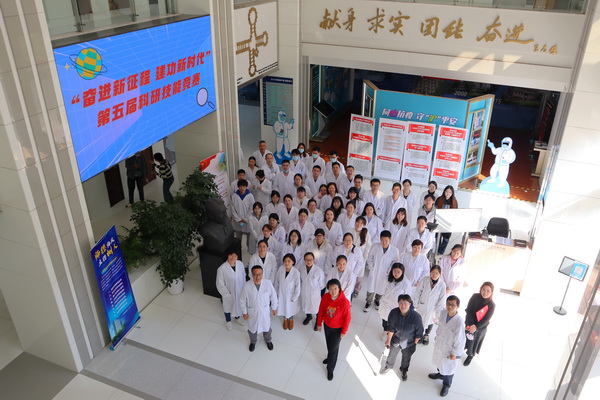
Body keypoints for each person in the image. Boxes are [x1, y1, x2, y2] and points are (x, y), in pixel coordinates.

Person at [380, 294, 424, 381]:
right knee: (391, 355)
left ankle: (404, 370)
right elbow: (391, 328)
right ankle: (388, 366)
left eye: (405, 303)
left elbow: (419, 332)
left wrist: (414, 343)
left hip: (409, 343)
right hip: (396, 340)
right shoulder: (393, 313)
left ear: (410, 304)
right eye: (400, 303)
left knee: (406, 358)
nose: (403, 306)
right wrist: (388, 340)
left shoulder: (416, 317)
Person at [429, 295, 466, 397]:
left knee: (449, 368)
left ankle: (446, 385)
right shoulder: (443, 313)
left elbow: (460, 340)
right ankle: (440, 374)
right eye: (448, 304)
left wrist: (455, 353)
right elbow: (440, 327)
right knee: (439, 362)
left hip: (450, 349)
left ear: (458, 306)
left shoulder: (459, 322)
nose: (450, 306)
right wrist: (437, 337)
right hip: (440, 343)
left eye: (453, 305)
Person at [317, 279, 352, 381]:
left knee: (333, 349)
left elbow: (347, 318)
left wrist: (344, 331)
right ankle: (329, 358)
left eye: (335, 289)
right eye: (330, 289)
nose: (333, 291)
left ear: (339, 289)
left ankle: (330, 369)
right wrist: (319, 323)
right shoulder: (325, 297)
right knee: (330, 346)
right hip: (327, 326)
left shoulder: (344, 302)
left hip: (338, 329)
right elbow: (321, 310)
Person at [240, 265, 278, 352]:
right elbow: (242, 300)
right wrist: (244, 312)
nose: (258, 277)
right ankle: (253, 342)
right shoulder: (246, 286)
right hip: (252, 312)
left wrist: (274, 308)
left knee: (267, 327)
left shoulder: (268, 283)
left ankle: (268, 340)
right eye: (255, 274)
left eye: (260, 274)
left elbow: (274, 296)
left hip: (264, 312)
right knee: (252, 329)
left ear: (262, 274)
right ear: (252, 275)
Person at [364, 230, 400, 312]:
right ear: (380, 239)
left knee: (381, 288)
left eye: (386, 240)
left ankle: (377, 300)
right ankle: (368, 302)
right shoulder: (375, 246)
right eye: (382, 240)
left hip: (385, 273)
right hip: (374, 271)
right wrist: (372, 268)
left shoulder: (395, 250)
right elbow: (369, 257)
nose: (384, 242)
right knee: (370, 288)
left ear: (390, 239)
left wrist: (389, 270)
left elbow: (395, 262)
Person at [463, 282, 496, 366]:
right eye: (483, 289)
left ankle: (470, 355)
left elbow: (486, 319)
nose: (485, 292)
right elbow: (469, 309)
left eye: (488, 291)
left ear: (491, 292)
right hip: (469, 323)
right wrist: (471, 324)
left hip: (480, 327)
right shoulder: (475, 296)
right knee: (464, 338)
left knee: (473, 343)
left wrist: (476, 326)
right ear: (480, 289)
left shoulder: (492, 305)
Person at [378, 263, 411, 341]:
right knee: (385, 319)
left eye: (398, 272)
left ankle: (391, 334)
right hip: (386, 303)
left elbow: (407, 297)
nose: (396, 274)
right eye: (394, 271)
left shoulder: (406, 283)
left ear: (402, 272)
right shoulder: (387, 279)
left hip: (396, 306)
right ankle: (385, 330)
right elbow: (382, 290)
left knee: (394, 322)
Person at [414, 265, 447, 345]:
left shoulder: (442, 285)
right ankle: (419, 335)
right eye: (433, 273)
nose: (434, 275)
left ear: (440, 274)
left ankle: (426, 335)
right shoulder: (424, 280)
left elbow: (442, 299)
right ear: (430, 273)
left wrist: (438, 312)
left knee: (430, 321)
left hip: (433, 307)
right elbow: (418, 291)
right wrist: (416, 303)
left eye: (436, 273)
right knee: (420, 320)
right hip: (422, 304)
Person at [216, 250, 246, 331]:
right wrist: (227, 294)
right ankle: (228, 321)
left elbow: (243, 276)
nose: (233, 258)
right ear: (227, 256)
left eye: (235, 256)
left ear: (237, 257)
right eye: (231, 256)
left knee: (238, 305)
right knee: (227, 307)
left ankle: (237, 317)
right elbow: (220, 283)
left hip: (239, 290)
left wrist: (244, 288)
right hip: (229, 293)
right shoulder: (222, 269)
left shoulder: (240, 264)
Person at [299, 252, 326, 329]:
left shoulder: (319, 271)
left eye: (310, 259)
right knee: (306, 306)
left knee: (317, 309)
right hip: (305, 292)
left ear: (313, 260)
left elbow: (322, 285)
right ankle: (309, 317)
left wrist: (321, 296)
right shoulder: (301, 268)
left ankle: (318, 321)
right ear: (304, 260)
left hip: (315, 295)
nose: (309, 261)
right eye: (307, 260)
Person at [274, 253, 301, 330]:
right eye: (285, 261)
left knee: (290, 308)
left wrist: (295, 297)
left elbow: (298, 286)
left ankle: (291, 319)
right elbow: (276, 281)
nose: (286, 263)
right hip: (281, 294)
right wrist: (276, 293)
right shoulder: (281, 269)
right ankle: (285, 319)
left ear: (293, 262)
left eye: (289, 261)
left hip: (291, 295)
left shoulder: (296, 272)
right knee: (283, 307)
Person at [435, 185, 458, 254]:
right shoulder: (439, 199)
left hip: (448, 223)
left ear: (452, 193)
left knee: (446, 240)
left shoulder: (454, 201)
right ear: (444, 192)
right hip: (439, 222)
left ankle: (440, 254)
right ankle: (435, 253)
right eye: (446, 192)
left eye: (450, 192)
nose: (448, 194)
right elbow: (435, 209)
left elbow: (456, 212)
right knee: (437, 239)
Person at [231, 179, 255, 248]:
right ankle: (238, 250)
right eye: (240, 186)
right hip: (237, 221)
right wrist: (238, 219)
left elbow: (251, 209)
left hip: (247, 221)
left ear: (246, 187)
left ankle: (249, 250)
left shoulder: (250, 196)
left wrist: (245, 219)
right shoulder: (234, 196)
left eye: (244, 186)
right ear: (238, 187)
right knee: (238, 239)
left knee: (249, 239)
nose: (242, 188)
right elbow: (233, 209)